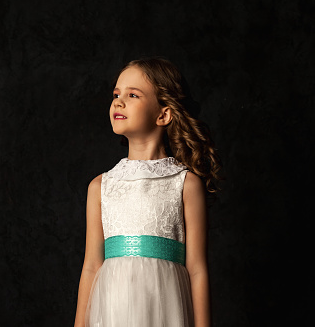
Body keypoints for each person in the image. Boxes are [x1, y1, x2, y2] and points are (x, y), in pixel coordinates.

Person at [73, 57, 223, 327]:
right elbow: (91, 266)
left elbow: (198, 269)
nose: (118, 102)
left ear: (163, 114)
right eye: (116, 94)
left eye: (132, 95)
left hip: (165, 308)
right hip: (112, 310)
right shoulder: (100, 187)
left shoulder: (185, 184)